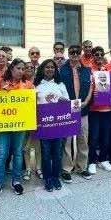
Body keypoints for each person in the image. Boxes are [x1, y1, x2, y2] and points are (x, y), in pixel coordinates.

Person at [0, 58, 34, 201]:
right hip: (2, 125)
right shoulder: (0, 83)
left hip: (20, 125)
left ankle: (16, 181)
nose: (21, 71)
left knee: (18, 153)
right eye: (18, 68)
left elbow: (32, 103)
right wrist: (1, 93)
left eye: (23, 69)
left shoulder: (28, 85)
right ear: (12, 68)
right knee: (1, 153)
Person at [59, 45, 93, 182]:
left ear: (80, 54)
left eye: (77, 52)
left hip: (83, 109)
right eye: (72, 52)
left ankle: (82, 167)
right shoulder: (61, 70)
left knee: (83, 140)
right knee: (67, 141)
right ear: (68, 54)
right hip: (67, 110)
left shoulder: (87, 70)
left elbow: (91, 87)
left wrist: (87, 101)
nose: (74, 54)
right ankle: (66, 169)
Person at [34, 59, 69, 191]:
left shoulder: (60, 84)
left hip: (58, 124)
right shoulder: (36, 86)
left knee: (57, 153)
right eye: (47, 67)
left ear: (55, 70)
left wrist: (63, 100)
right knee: (46, 153)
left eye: (52, 67)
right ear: (42, 69)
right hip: (43, 125)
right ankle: (47, 178)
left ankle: (55, 177)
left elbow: (68, 102)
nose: (50, 69)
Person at [87, 46, 111, 174]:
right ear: (93, 56)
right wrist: (91, 96)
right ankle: (92, 161)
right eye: (96, 54)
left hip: (108, 109)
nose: (99, 56)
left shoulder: (107, 70)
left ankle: (103, 159)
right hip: (93, 110)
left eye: (101, 54)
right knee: (93, 137)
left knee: (106, 136)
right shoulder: (89, 70)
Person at [22, 60, 41, 180]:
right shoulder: (20, 83)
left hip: (38, 117)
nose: (29, 69)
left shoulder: (39, 83)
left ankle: (38, 168)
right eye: (26, 67)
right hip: (23, 118)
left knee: (38, 145)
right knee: (26, 146)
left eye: (31, 67)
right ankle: (28, 169)